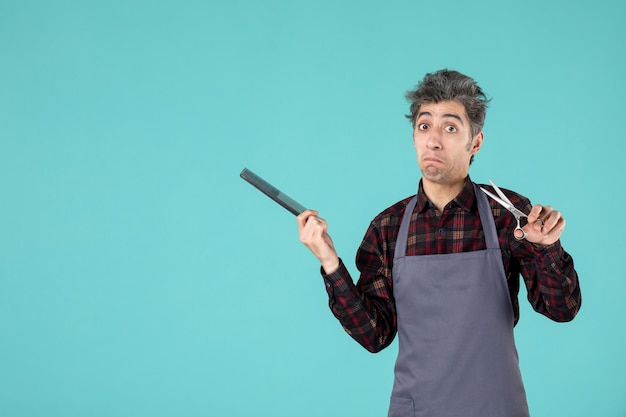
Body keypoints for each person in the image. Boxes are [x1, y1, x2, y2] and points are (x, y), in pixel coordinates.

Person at [296, 69, 581, 417]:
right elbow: (375, 335)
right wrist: (329, 261)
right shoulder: (388, 227)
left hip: (497, 407)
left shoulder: (510, 216)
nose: (433, 140)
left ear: (475, 142)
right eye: (424, 125)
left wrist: (547, 247)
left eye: (450, 127)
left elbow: (562, 309)